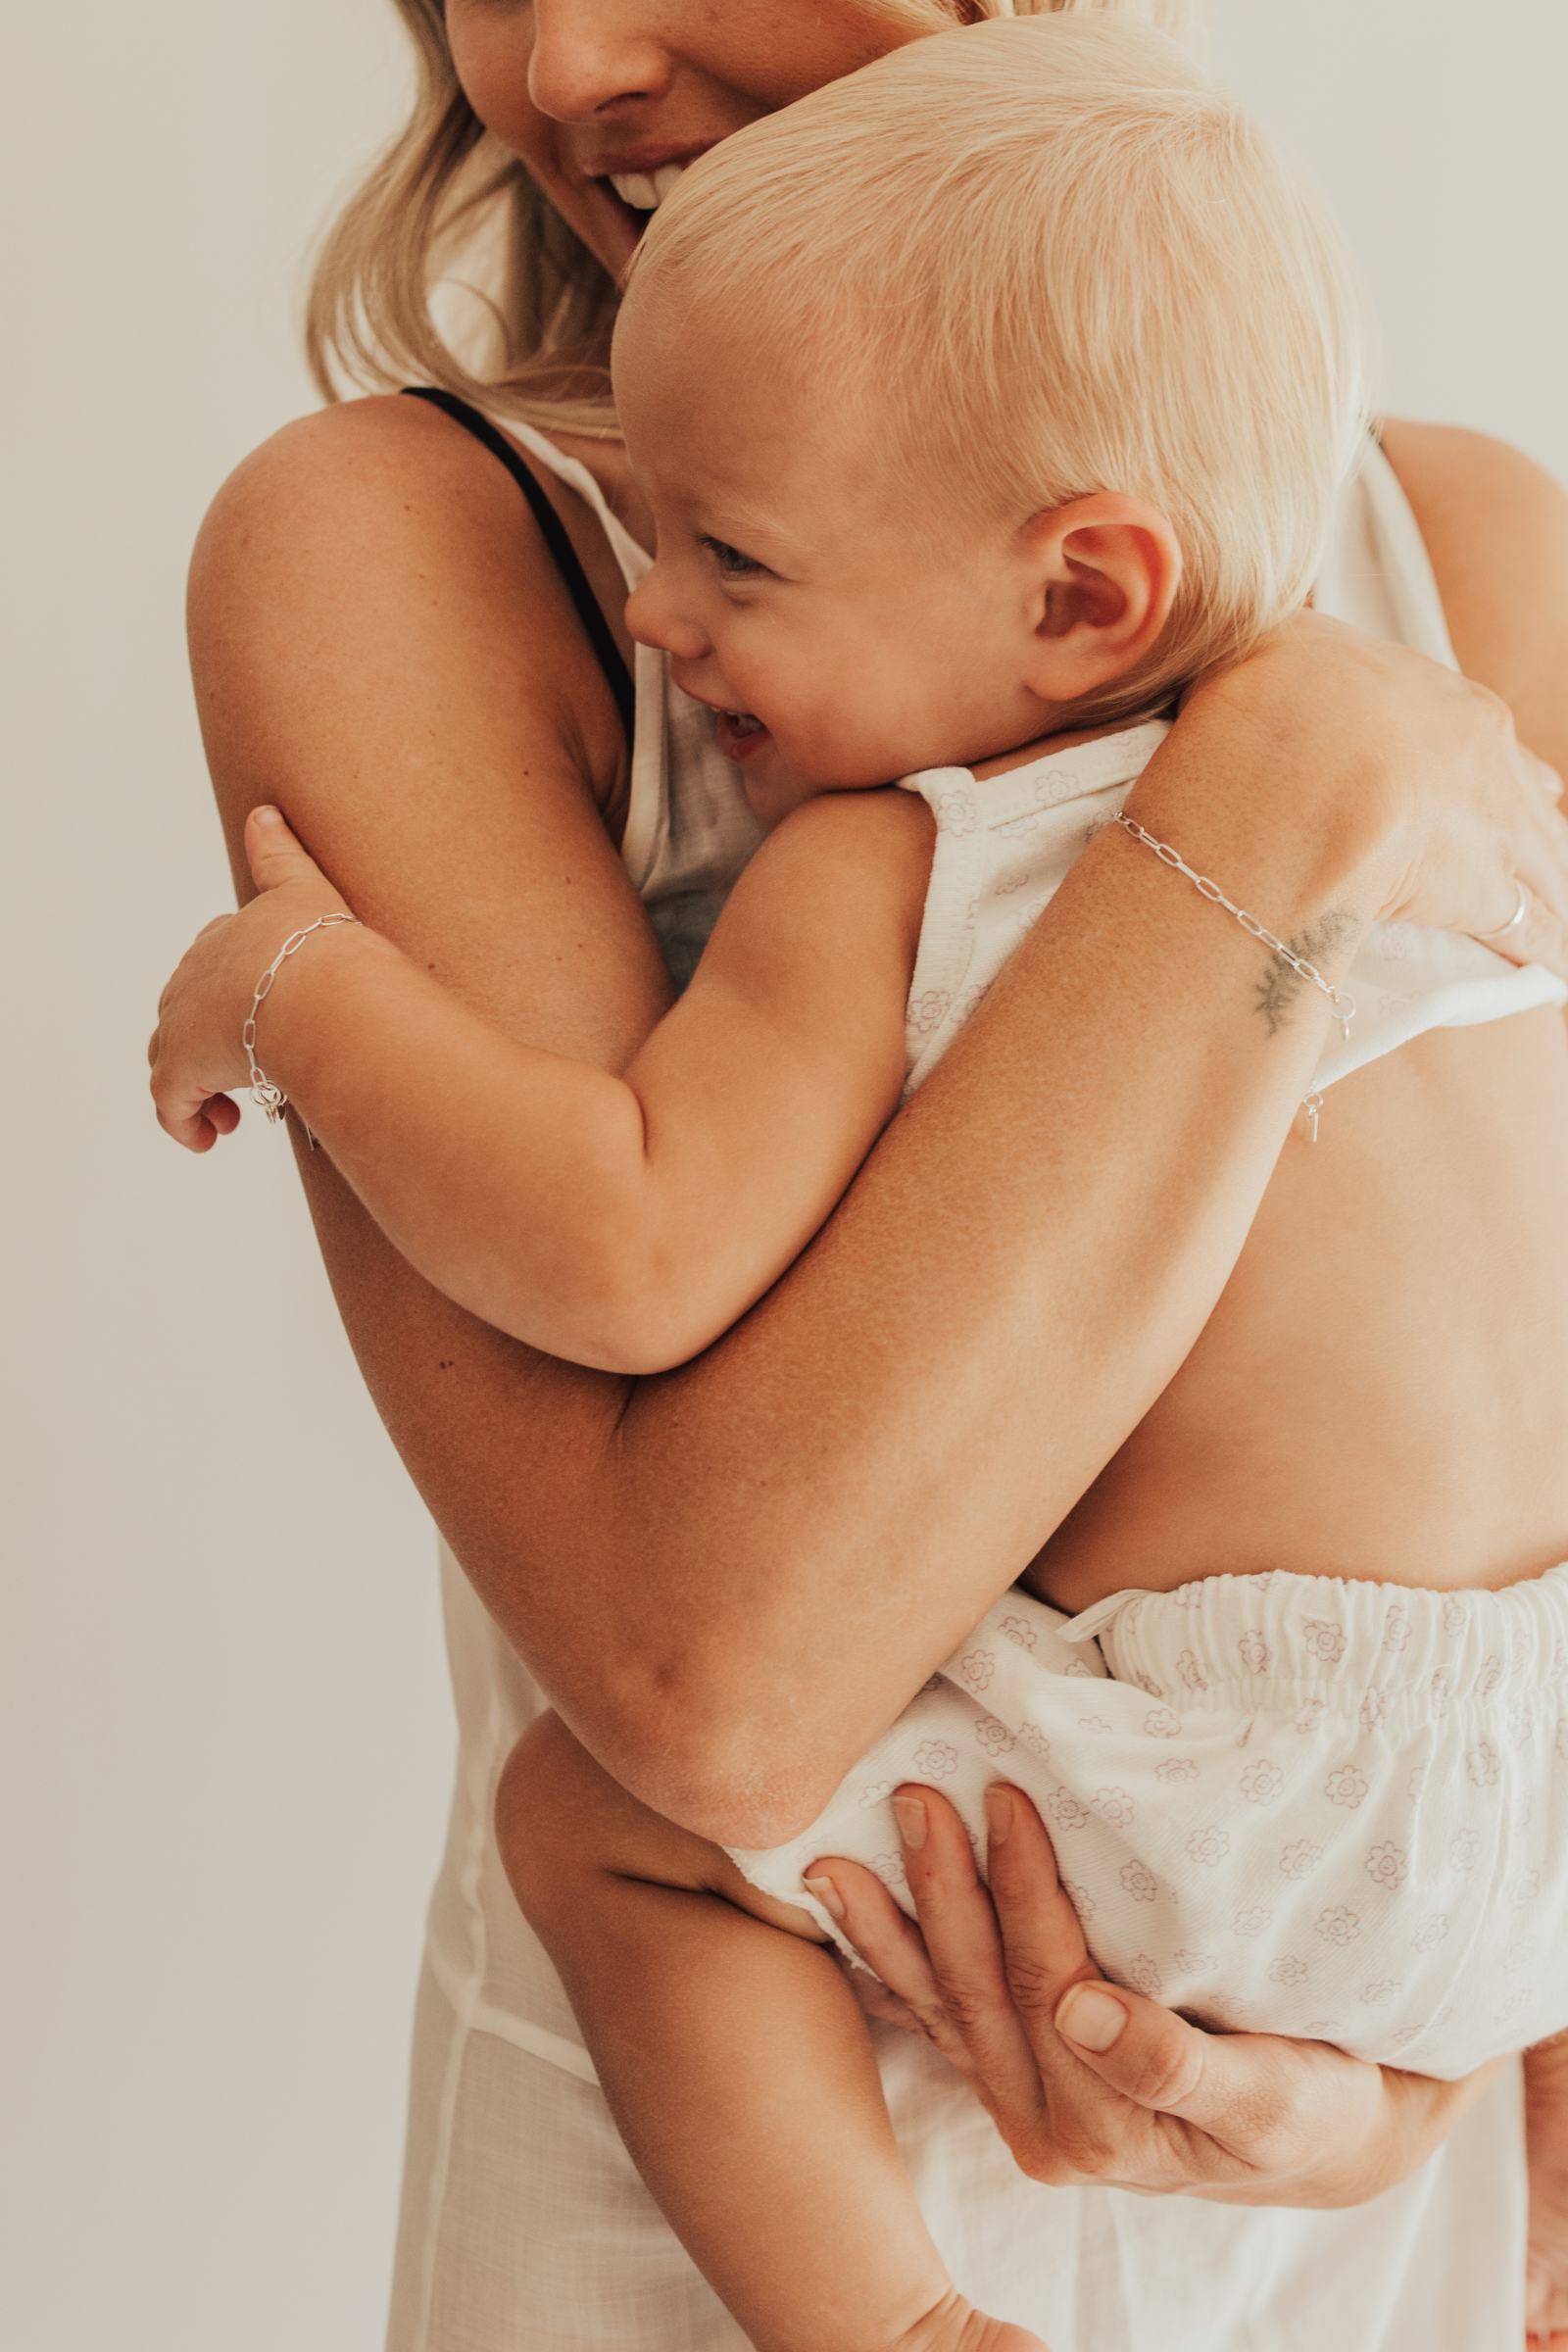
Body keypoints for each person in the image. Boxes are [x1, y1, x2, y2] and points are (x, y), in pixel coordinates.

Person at [150, 21, 1568, 2348]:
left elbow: (626, 1256)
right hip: (695, 2211)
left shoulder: (1460, 554)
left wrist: (1404, 2093)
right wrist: (1276, 786)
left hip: (1313, 2176)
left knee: (593, 1844)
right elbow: (703, 1678)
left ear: (1083, 586)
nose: (560, 58)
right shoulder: (415, 543)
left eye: (725, 557)